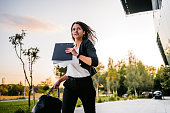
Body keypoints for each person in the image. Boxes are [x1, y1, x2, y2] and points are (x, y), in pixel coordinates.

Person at [54, 21, 98, 113]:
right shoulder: (69, 48)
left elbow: (94, 62)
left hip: (85, 84)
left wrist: (77, 55)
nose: (76, 31)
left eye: (78, 29)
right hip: (70, 84)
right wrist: (59, 81)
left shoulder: (87, 44)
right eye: (73, 29)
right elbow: (71, 71)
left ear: (84, 32)